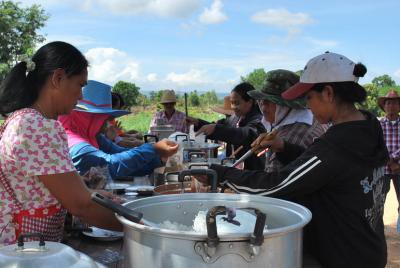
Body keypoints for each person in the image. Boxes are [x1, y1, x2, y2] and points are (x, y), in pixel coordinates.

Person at [195, 52, 388, 268]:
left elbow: (277, 185)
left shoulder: (336, 144)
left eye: (309, 98)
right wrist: (283, 147)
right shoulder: (369, 127)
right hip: (370, 249)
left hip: (342, 257)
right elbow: (324, 171)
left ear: (328, 93)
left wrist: (221, 174)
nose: (307, 105)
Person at [0, 41, 123, 246]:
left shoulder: (22, 120)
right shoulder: (37, 126)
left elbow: (38, 189)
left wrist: (91, 193)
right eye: (80, 85)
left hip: (21, 243)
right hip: (23, 250)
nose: (81, 96)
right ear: (57, 78)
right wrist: (143, 228)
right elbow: (81, 206)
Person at [59, 80, 178, 179]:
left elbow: (121, 153)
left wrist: (159, 159)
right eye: (104, 118)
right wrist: (153, 148)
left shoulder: (95, 137)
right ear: (90, 118)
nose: (108, 123)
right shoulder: (77, 145)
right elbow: (111, 165)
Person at [247, 69, 327, 173]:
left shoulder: (293, 135)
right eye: (260, 100)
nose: (262, 105)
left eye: (268, 101)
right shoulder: (309, 118)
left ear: (285, 106)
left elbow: (273, 181)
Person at [187, 82, 265, 170]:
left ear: (250, 102)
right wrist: (198, 122)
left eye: (237, 103)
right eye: (232, 103)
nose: (233, 107)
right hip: (234, 169)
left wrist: (216, 129)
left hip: (251, 173)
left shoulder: (259, 120)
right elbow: (219, 126)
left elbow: (244, 134)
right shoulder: (235, 118)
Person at [378, 89, 400, 233]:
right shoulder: (378, 124)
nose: (391, 106)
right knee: (379, 200)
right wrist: (389, 161)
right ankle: (378, 230)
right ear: (384, 106)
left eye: (394, 103)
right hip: (383, 168)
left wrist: (395, 159)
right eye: (388, 103)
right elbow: (376, 145)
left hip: (399, 166)